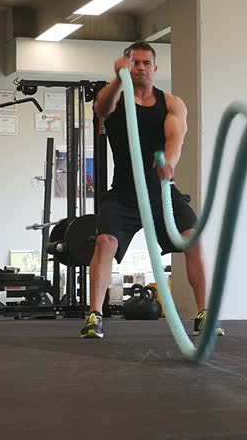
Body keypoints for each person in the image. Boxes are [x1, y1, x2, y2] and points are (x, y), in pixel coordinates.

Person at [81, 41, 222, 339]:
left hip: (161, 190)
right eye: (135, 63)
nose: (140, 68)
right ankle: (95, 315)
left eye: (146, 63)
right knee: (105, 241)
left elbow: (175, 140)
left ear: (155, 69)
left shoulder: (171, 103)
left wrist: (168, 164)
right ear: (126, 66)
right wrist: (119, 78)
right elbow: (102, 108)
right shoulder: (115, 97)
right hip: (123, 192)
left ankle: (204, 314)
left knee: (193, 239)